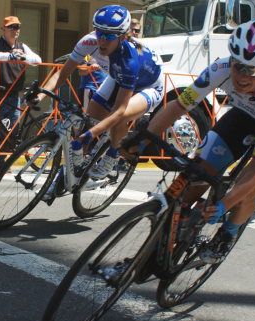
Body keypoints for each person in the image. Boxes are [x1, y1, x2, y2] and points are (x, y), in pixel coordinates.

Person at [120, 20, 255, 264]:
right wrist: (143, 140)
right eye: (238, 65)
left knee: (245, 189)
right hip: (244, 115)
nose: (242, 76)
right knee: (195, 176)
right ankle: (153, 251)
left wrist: (223, 206)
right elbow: (177, 107)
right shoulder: (220, 67)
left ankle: (227, 235)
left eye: (253, 70)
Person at [29, 5, 164, 197]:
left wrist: (92, 133)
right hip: (118, 79)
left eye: (108, 36)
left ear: (122, 36)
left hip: (149, 87)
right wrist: (40, 95)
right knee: (87, 121)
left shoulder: (130, 59)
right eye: (99, 33)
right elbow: (62, 75)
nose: (101, 40)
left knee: (120, 116)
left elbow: (118, 110)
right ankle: (63, 179)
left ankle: (112, 157)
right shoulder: (88, 42)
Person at [0, 16, 41, 172]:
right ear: (3, 29)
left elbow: (37, 59)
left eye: (17, 27)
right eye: (11, 27)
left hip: (14, 93)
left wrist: (24, 57)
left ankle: (0, 161)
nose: (15, 30)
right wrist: (8, 56)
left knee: (11, 129)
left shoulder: (21, 46)